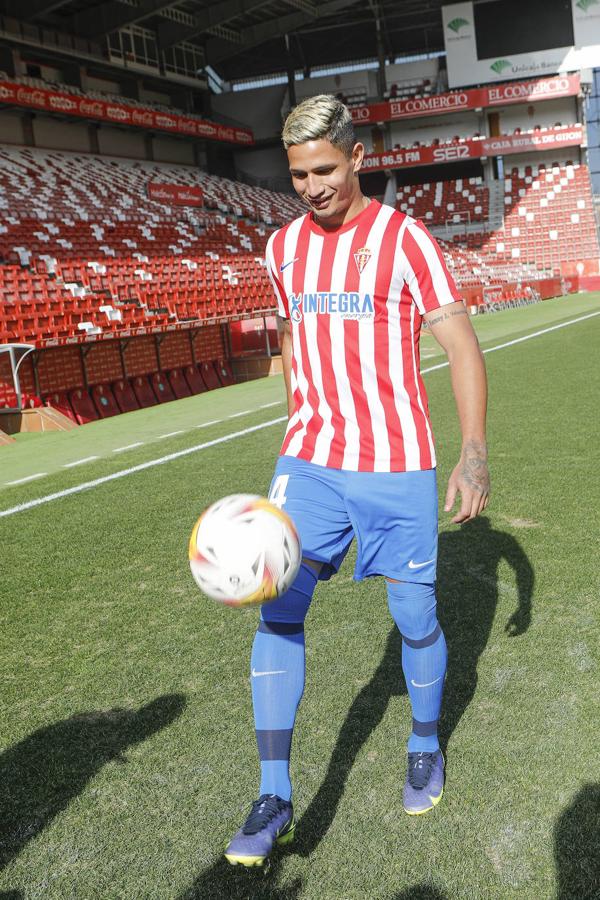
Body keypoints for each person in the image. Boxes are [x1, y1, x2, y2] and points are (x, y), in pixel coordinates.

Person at [224, 95, 490, 867]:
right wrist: (292, 433)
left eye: (324, 169)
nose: (310, 186)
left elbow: (464, 350)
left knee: (414, 619)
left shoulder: (407, 241)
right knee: (276, 609)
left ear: (359, 158)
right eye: (298, 173)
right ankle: (274, 791)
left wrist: (472, 452)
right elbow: (292, 340)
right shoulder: (281, 250)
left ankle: (424, 740)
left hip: (396, 464)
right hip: (309, 462)